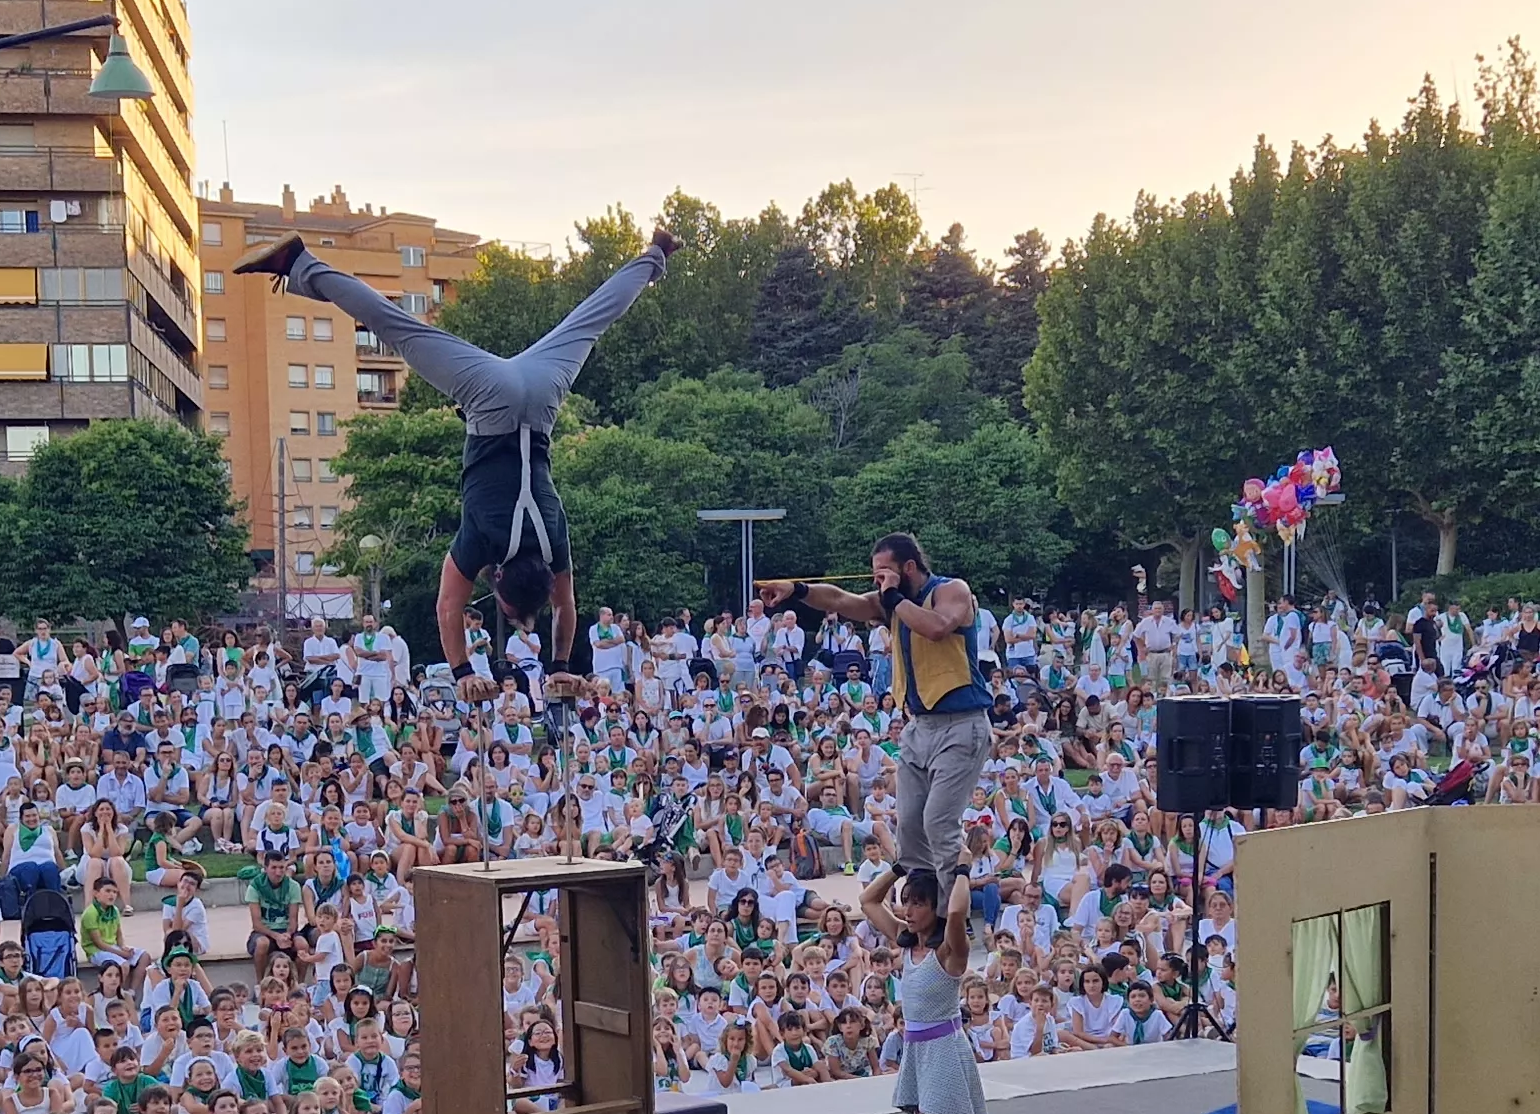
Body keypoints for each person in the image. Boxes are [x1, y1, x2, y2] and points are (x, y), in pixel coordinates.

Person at [238, 224, 673, 687]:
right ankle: (299, 263)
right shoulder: (483, 541)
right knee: (396, 326)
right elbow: (448, 607)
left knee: (590, 319)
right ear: (499, 577)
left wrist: (564, 664)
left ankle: (656, 255)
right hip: (490, 400)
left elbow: (566, 607)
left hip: (542, 395)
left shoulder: (554, 541)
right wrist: (464, 671)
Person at [766, 533, 994, 881]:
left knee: (938, 822)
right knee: (909, 823)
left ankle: (952, 911)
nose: (878, 580)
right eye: (876, 574)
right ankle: (924, 901)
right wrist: (797, 589)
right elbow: (841, 598)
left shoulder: (952, 591)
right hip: (919, 725)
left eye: (885, 572)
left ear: (909, 567)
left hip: (961, 722)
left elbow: (937, 628)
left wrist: (893, 597)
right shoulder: (892, 602)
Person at [878, 864, 985, 1114]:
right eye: (906, 902)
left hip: (943, 1052)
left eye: (918, 904)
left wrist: (960, 872)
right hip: (918, 1053)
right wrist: (898, 867)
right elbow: (868, 900)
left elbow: (956, 912)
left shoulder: (948, 952)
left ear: (934, 908)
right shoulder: (907, 943)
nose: (908, 911)